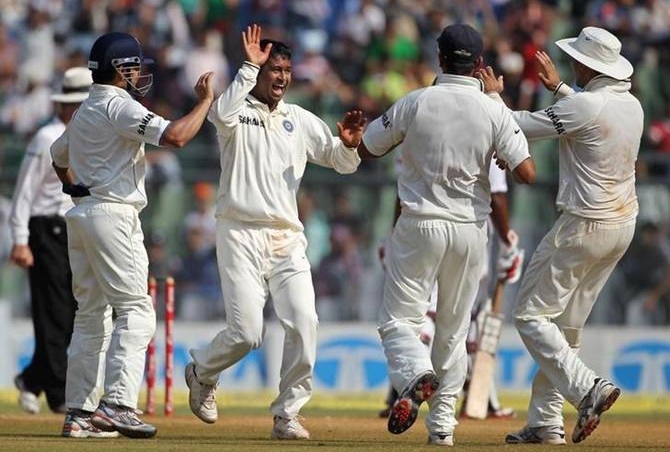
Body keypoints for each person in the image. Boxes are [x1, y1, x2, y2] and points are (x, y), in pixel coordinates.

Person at [184, 24, 365, 440]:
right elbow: (219, 113)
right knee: (247, 333)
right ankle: (202, 371)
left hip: (286, 238)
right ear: (258, 71)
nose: (281, 76)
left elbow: (341, 162)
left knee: (304, 321)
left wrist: (351, 145)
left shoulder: (298, 119)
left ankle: (287, 414)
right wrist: (249, 66)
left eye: (286, 69)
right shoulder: (236, 110)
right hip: (239, 233)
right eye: (273, 69)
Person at [358, 23, 535, 446]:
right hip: (471, 232)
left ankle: (416, 372)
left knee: (398, 320)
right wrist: (497, 110)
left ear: (439, 59)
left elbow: (366, 148)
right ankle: (442, 430)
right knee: (454, 333)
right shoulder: (493, 109)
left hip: (419, 224)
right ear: (479, 64)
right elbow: (527, 172)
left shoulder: (416, 102)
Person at [479, 26, 644, 444]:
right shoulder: (632, 105)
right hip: (621, 228)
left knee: (531, 316)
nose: (571, 64)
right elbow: (591, 114)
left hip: (583, 226)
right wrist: (563, 89)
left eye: (575, 61)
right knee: (566, 329)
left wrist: (493, 94)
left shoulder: (586, 106)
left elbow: (519, 127)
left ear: (589, 65)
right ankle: (545, 423)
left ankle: (588, 388)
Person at [50, 32, 215, 439]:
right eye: (136, 65)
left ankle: (79, 415)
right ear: (121, 69)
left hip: (83, 213)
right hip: (113, 215)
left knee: (91, 316)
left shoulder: (86, 108)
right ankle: (118, 404)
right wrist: (205, 103)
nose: (140, 72)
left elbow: (59, 157)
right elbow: (176, 136)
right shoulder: (119, 107)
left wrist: (74, 188)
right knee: (136, 310)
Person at [378, 160, 523, 420]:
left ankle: (404, 389)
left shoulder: (413, 125)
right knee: (461, 322)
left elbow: (403, 195)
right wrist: (507, 242)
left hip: (420, 232)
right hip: (468, 236)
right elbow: (499, 195)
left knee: (418, 316)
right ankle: (468, 402)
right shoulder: (488, 127)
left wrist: (393, 239)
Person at [8, 67, 91, 415]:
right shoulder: (46, 137)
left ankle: (32, 379)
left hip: (74, 229)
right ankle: (58, 394)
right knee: (54, 314)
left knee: (72, 314)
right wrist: (20, 239)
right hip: (46, 231)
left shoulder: (87, 138)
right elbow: (24, 192)